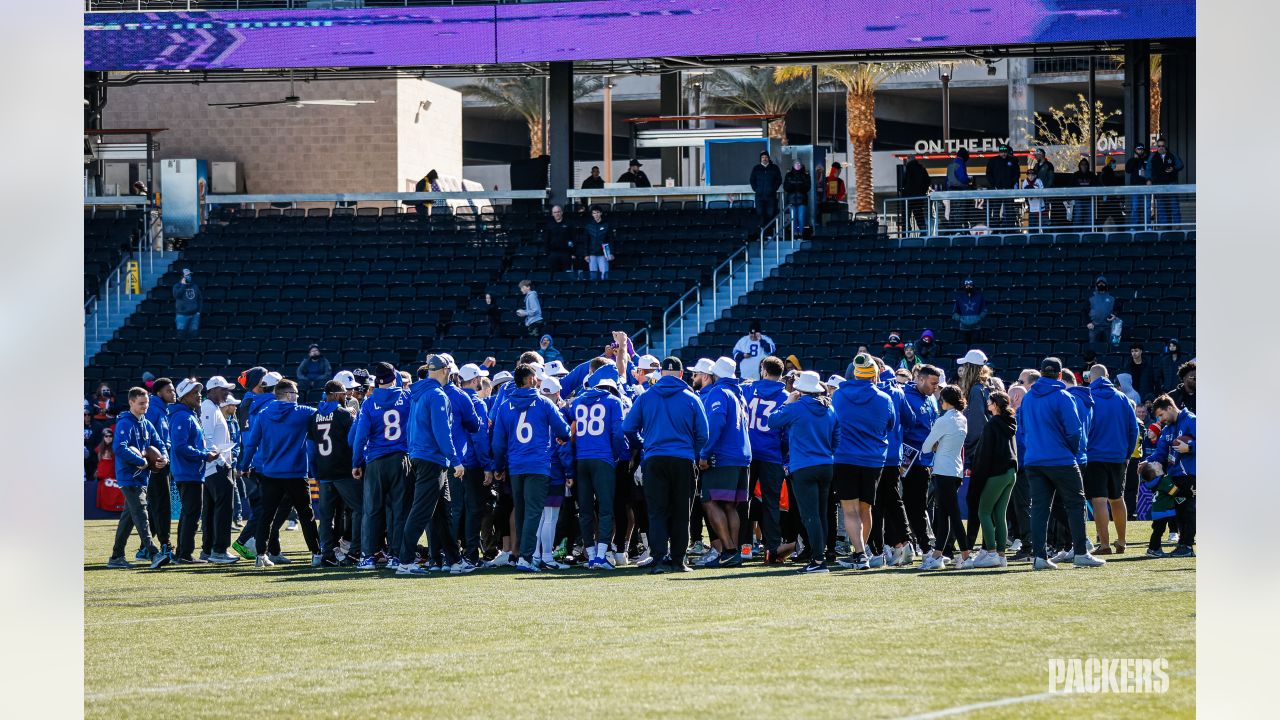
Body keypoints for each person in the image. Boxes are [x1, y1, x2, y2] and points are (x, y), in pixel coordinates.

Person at [622, 356, 709, 574]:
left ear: (661, 373)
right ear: (681, 374)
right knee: (681, 512)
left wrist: (644, 446)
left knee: (657, 512)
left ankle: (658, 558)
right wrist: (692, 451)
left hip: (654, 459)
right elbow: (704, 435)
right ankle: (679, 560)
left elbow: (628, 427)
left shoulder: (647, 397)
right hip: (683, 460)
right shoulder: (691, 397)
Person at [1017, 357, 1105, 570]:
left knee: (1039, 508)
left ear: (1041, 372)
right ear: (1059, 375)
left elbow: (1023, 428)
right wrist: (1071, 451)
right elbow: (1075, 431)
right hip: (1061, 459)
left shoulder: (1028, 398)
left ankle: (1039, 556)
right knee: (1075, 505)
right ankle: (1081, 552)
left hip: (1034, 460)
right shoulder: (1063, 396)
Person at [491, 363, 573, 572]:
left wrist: (498, 466)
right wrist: (564, 437)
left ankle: (522, 554)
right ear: (529, 380)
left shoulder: (504, 405)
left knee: (521, 511)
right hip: (537, 464)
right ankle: (526, 558)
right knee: (534, 512)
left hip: (516, 465)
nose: (537, 381)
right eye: (535, 378)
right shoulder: (544, 403)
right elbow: (563, 429)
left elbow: (498, 443)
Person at [239, 379, 323, 568]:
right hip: (295, 473)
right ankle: (316, 553)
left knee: (266, 516)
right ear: (288, 395)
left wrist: (244, 466)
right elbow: (323, 414)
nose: (297, 397)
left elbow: (251, 444)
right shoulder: (302, 412)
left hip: (270, 474)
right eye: (295, 394)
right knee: (306, 515)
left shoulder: (263, 414)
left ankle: (261, 556)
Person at [398, 356, 468, 575]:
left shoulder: (418, 393)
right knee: (421, 512)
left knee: (442, 513)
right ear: (446, 370)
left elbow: (411, 427)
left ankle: (455, 561)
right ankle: (405, 561)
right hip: (432, 459)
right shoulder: (437, 395)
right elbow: (442, 431)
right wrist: (455, 460)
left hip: (422, 455)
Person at [768, 370, 838, 573]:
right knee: (822, 514)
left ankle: (818, 560)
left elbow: (772, 421)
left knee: (810, 515)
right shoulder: (830, 408)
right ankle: (821, 555)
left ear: (800, 389)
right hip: (826, 464)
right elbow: (837, 437)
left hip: (803, 466)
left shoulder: (796, 408)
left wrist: (787, 402)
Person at [831, 354, 893, 570]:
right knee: (865, 509)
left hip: (845, 457)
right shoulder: (884, 398)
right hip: (873, 459)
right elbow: (890, 425)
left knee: (850, 510)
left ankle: (859, 553)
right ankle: (861, 552)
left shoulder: (839, 395)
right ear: (875, 374)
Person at [351, 362, 412, 569]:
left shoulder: (368, 403)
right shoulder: (406, 398)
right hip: (400, 459)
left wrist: (356, 462)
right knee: (398, 510)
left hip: (375, 460)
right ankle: (395, 555)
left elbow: (360, 438)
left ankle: (367, 556)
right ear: (394, 378)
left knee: (371, 511)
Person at [696, 357, 752, 568]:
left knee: (709, 501)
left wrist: (704, 453)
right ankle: (734, 551)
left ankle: (728, 550)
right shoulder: (739, 394)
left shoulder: (719, 392)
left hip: (724, 456)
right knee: (730, 506)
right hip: (742, 456)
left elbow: (716, 424)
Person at [571, 374, 627, 569]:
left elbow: (570, 428)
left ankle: (591, 554)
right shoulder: (613, 401)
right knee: (605, 508)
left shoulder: (578, 401)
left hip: (581, 459)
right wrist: (616, 455)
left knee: (585, 510)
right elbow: (618, 433)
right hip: (602, 458)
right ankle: (601, 555)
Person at [106, 387, 167, 568]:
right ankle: (153, 553)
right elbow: (119, 447)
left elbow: (159, 443)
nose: (145, 407)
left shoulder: (146, 423)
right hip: (128, 477)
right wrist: (140, 460)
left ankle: (116, 557)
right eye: (141, 403)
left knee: (129, 517)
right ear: (131, 402)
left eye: (146, 403)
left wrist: (164, 458)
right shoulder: (125, 423)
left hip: (142, 477)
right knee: (141, 513)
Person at [1085, 365, 1141, 555]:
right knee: (1118, 499)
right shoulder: (1122, 398)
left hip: (1094, 456)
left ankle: (1105, 544)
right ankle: (1122, 542)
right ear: (1107, 376)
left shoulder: (1089, 397)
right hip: (1118, 457)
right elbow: (1134, 430)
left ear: (1090, 378)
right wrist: (1127, 455)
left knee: (1099, 500)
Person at [308, 380, 361, 567]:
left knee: (326, 517)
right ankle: (354, 551)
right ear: (336, 394)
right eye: (344, 393)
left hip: (324, 473)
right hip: (343, 471)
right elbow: (353, 441)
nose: (346, 396)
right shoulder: (343, 415)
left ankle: (327, 554)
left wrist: (315, 473)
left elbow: (310, 449)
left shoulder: (314, 416)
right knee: (360, 509)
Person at [742, 356, 788, 564]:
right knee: (771, 504)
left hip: (749, 454)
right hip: (772, 454)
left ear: (763, 369)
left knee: (743, 502)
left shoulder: (748, 390)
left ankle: (744, 548)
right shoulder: (786, 396)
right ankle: (772, 549)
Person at [167, 379, 217, 564]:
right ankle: (184, 554)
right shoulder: (182, 416)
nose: (199, 395)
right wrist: (205, 455)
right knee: (192, 514)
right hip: (188, 473)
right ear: (184, 396)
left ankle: (183, 552)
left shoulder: (187, 414)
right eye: (194, 392)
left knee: (189, 513)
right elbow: (180, 447)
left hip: (190, 472)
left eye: (199, 392)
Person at [1140, 394, 1196, 557]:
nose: (1160, 419)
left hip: (1191, 475)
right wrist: (1147, 462)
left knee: (1188, 509)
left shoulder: (1191, 420)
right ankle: (1183, 545)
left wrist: (1190, 447)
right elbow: (1160, 453)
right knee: (1179, 510)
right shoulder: (1167, 429)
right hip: (1174, 476)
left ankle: (1186, 546)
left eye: (1161, 415)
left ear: (1170, 408)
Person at [143, 377, 175, 566]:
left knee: (158, 505)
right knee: (161, 505)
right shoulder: (154, 409)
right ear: (158, 393)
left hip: (163, 461)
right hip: (156, 464)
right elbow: (147, 437)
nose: (173, 393)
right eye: (169, 391)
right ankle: (164, 545)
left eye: (173, 390)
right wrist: (154, 458)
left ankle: (144, 547)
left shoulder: (163, 410)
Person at [1149, 137, 1184, 226]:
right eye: (1159, 146)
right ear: (1157, 146)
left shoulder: (1172, 155)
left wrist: (1174, 168)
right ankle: (1164, 227)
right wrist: (1148, 179)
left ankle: (1177, 226)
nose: (1161, 148)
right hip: (1159, 185)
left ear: (1166, 146)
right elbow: (1148, 168)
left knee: (1174, 206)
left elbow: (1180, 165)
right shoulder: (1153, 156)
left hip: (1171, 184)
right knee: (1161, 207)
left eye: (1163, 146)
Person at [985, 143, 1020, 229]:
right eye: (1002, 152)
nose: (1003, 154)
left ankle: (1010, 229)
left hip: (1008, 190)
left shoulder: (1012, 161)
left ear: (1007, 152)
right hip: (997, 190)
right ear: (999, 152)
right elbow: (988, 174)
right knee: (996, 210)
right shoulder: (993, 161)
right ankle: (995, 229)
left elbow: (1017, 174)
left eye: (1005, 152)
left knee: (1009, 210)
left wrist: (1012, 185)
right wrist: (994, 185)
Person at [749, 151, 783, 235]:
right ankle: (762, 235)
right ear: (760, 159)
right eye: (763, 157)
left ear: (769, 158)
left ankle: (770, 235)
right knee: (760, 214)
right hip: (759, 197)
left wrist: (773, 189)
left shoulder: (774, 168)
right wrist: (756, 189)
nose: (764, 159)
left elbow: (779, 180)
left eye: (766, 157)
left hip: (771, 197)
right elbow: (752, 180)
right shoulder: (756, 168)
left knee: (771, 215)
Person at [900, 154, 931, 234]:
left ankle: (906, 232)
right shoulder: (921, 168)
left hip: (908, 196)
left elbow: (904, 182)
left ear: (908, 160)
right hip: (919, 196)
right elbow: (927, 181)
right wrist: (923, 191)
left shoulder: (908, 168)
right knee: (918, 213)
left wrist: (905, 190)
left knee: (906, 215)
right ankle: (923, 231)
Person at [543, 205, 577, 276]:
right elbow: (546, 240)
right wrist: (548, 253)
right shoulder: (549, 225)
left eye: (558, 212)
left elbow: (573, 238)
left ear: (562, 212)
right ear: (552, 214)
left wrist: (573, 253)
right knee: (554, 275)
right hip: (553, 254)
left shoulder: (569, 224)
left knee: (566, 275)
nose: (557, 214)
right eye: (555, 212)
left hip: (566, 254)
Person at [953, 279, 988, 347]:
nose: (968, 287)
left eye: (970, 286)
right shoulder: (960, 298)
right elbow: (955, 312)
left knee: (975, 347)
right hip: (963, 328)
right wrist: (960, 319)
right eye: (967, 286)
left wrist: (978, 318)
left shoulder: (980, 297)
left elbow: (984, 310)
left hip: (976, 328)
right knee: (963, 348)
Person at [583, 205, 614, 281]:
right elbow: (586, 241)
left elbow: (610, 240)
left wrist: (611, 253)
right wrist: (586, 254)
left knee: (604, 275)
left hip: (603, 254)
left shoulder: (607, 225)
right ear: (592, 214)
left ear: (601, 213)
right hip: (592, 254)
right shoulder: (588, 226)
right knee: (593, 275)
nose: (596, 215)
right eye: (594, 213)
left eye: (597, 212)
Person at [1086, 276, 1118, 348]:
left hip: (1109, 327)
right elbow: (1084, 311)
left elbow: (1117, 309)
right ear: (1096, 285)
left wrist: (1115, 315)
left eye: (1103, 283)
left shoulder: (1112, 297)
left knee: (1111, 348)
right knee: (1093, 348)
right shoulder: (1090, 297)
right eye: (1099, 283)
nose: (1101, 285)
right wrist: (1088, 322)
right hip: (1094, 327)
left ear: (1106, 285)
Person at [1124, 143, 1152, 226]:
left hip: (1146, 187)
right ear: (1135, 150)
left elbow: (1151, 171)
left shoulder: (1147, 160)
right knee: (1135, 207)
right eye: (1138, 149)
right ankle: (1134, 227)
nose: (1140, 151)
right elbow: (1128, 170)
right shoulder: (1132, 160)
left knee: (1147, 207)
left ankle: (1148, 226)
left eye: (1141, 149)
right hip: (1135, 187)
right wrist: (1135, 160)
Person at [782, 160, 811, 237]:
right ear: (793, 165)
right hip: (791, 200)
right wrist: (796, 186)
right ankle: (794, 233)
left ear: (801, 165)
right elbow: (785, 187)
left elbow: (808, 187)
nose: (797, 165)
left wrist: (796, 186)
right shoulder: (788, 175)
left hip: (802, 200)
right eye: (796, 163)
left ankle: (801, 233)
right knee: (793, 218)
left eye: (799, 163)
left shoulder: (805, 175)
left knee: (801, 218)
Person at [172, 268, 202, 339]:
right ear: (182, 277)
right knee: (181, 336)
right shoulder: (177, 286)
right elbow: (177, 295)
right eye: (187, 275)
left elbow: (200, 299)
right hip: (181, 316)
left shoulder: (195, 286)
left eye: (190, 275)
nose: (189, 276)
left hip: (194, 316)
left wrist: (198, 312)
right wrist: (183, 285)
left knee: (194, 336)